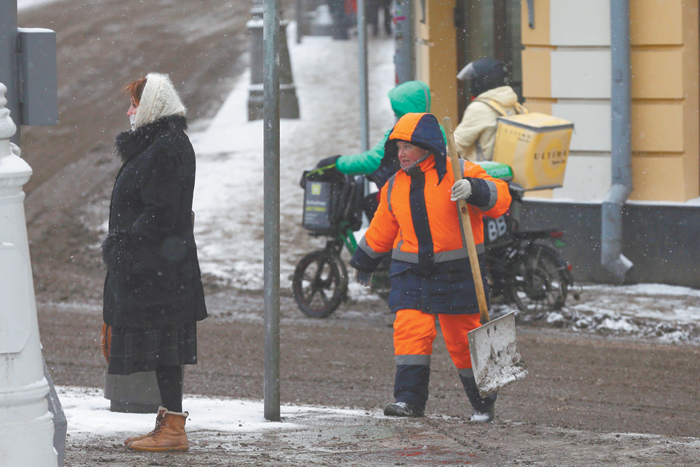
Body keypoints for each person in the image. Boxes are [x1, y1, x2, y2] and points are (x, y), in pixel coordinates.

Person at [349, 112, 511, 422]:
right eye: (398, 147)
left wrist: (474, 189)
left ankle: (483, 402)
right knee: (410, 332)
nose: (402, 154)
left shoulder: (461, 171)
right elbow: (382, 227)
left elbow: (501, 200)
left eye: (408, 146)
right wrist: (364, 259)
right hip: (410, 271)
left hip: (459, 272)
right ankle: (409, 401)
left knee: (464, 341)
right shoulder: (394, 184)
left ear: (427, 146)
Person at [102, 73, 208, 451]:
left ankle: (173, 430)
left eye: (134, 104)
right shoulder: (162, 144)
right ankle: (169, 425)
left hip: (160, 268)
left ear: (151, 107)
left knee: (166, 348)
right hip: (162, 266)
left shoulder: (165, 147)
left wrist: (125, 248)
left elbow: (161, 211)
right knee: (166, 349)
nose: (129, 112)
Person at [316, 80, 439, 188]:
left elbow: (373, 160)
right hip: (426, 189)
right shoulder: (437, 128)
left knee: (369, 203)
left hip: (411, 193)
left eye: (397, 111)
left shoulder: (406, 132)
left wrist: (335, 164)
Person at [453, 58, 527, 162]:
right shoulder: (514, 105)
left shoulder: (479, 108)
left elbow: (456, 144)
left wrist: (435, 156)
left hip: (483, 174)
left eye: (474, 80)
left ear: (483, 81)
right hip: (507, 172)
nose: (471, 85)